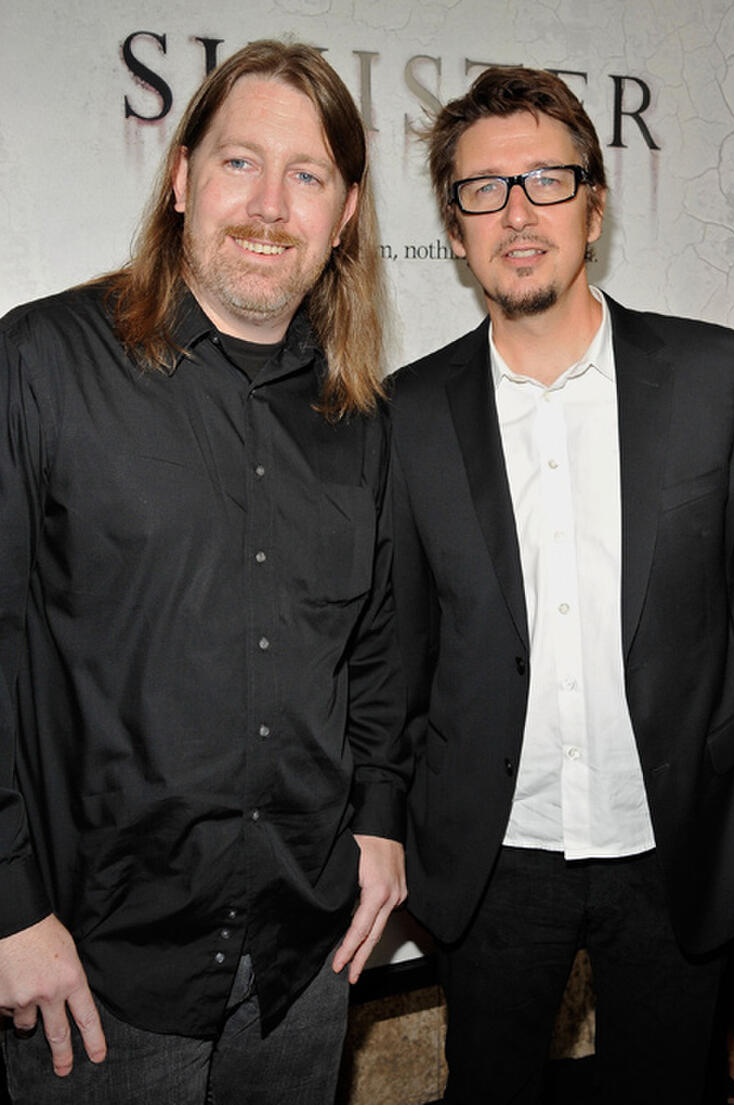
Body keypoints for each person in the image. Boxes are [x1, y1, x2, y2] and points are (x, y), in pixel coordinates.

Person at [388, 65, 734, 1105]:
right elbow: (396, 655)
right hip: (493, 853)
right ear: (454, 229)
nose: (518, 211)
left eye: (546, 179)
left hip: (676, 837)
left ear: (594, 205)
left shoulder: (714, 377)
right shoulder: (406, 413)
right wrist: (394, 833)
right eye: (484, 189)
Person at [0, 40, 409, 1105]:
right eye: (240, 163)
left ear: (346, 211)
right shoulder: (40, 363)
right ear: (180, 179)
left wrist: (379, 818)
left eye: (308, 175)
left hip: (301, 967)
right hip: (90, 977)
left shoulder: (363, 419)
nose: (270, 204)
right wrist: (7, 909)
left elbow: (376, 653)